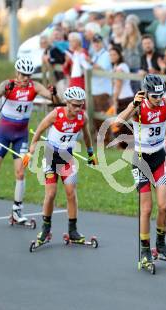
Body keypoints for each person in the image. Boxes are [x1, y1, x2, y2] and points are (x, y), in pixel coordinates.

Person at [115, 74, 166, 268]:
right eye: (154, 97)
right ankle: (144, 250)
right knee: (146, 208)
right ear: (146, 94)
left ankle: (160, 244)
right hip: (141, 161)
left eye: (160, 95)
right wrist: (133, 105)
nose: (158, 100)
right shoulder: (138, 105)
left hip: (159, 159)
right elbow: (117, 122)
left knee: (164, 206)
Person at [0, 57, 55, 222]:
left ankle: (17, 211)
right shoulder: (7, 84)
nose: (26, 78)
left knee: (20, 172)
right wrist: (3, 90)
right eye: (23, 75)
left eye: (28, 75)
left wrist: (53, 93)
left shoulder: (34, 86)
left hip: (21, 136)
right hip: (3, 134)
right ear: (17, 73)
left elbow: (52, 98)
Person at [23, 86, 97, 246]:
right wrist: (32, 147)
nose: (78, 108)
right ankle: (45, 229)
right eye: (75, 105)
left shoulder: (82, 117)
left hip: (67, 158)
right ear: (67, 103)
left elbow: (87, 135)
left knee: (71, 192)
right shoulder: (57, 114)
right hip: (50, 157)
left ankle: (73, 231)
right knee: (50, 194)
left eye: (81, 105)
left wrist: (91, 153)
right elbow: (40, 128)